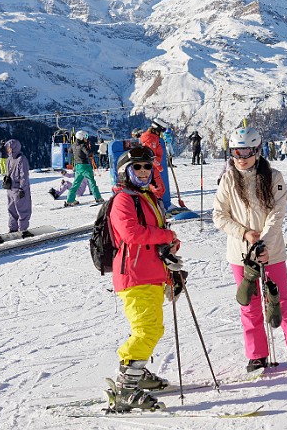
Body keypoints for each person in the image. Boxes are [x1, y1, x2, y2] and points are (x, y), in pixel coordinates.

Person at [212, 126, 287, 372]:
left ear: (257, 150)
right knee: (249, 305)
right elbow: (219, 215)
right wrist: (245, 234)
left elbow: (277, 213)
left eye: (246, 151)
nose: (241, 157)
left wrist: (265, 243)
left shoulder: (274, 177)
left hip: (273, 251)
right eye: (236, 151)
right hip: (240, 254)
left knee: (281, 301)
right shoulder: (228, 179)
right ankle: (257, 355)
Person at [104, 147, 182, 413]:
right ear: (125, 171)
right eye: (137, 167)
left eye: (147, 167)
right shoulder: (123, 200)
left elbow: (160, 232)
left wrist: (171, 245)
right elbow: (132, 233)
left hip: (152, 273)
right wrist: (166, 237)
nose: (143, 172)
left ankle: (138, 373)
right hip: (134, 276)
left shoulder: (148, 197)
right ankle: (126, 386)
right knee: (146, 330)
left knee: (153, 328)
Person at [64, 131, 104, 207]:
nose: (86, 138)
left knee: (76, 184)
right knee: (92, 182)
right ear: (81, 137)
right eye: (85, 136)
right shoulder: (82, 145)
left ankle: (70, 200)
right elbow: (88, 153)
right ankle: (98, 197)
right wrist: (89, 148)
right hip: (85, 166)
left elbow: (69, 151)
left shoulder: (73, 145)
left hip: (78, 167)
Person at [4, 139, 33, 235]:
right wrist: (22, 188)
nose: (7, 150)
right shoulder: (22, 159)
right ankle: (22, 230)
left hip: (10, 189)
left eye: (8, 148)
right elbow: (24, 176)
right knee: (23, 210)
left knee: (12, 210)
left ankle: (13, 228)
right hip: (18, 190)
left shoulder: (9, 159)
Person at [140, 120, 169, 199]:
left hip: (151, 168)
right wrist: (159, 166)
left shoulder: (153, 138)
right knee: (158, 189)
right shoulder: (150, 139)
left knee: (160, 188)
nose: (162, 133)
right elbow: (150, 155)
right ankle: (158, 208)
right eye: (162, 131)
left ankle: (158, 207)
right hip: (151, 168)